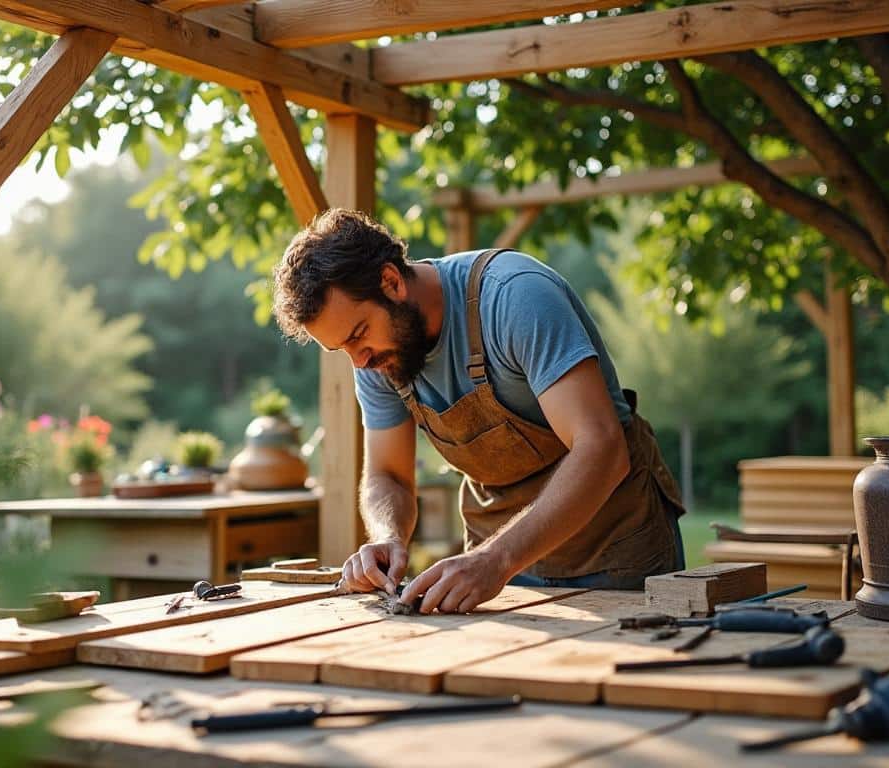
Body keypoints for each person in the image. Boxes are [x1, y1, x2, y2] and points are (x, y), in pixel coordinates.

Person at [271, 208, 685, 614]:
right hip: (497, 573)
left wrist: (497, 559)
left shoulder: (514, 297)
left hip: (614, 553)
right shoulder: (376, 358)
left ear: (391, 281)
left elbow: (602, 449)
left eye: (359, 334)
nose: (359, 361)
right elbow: (389, 476)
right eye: (341, 349)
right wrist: (388, 537)